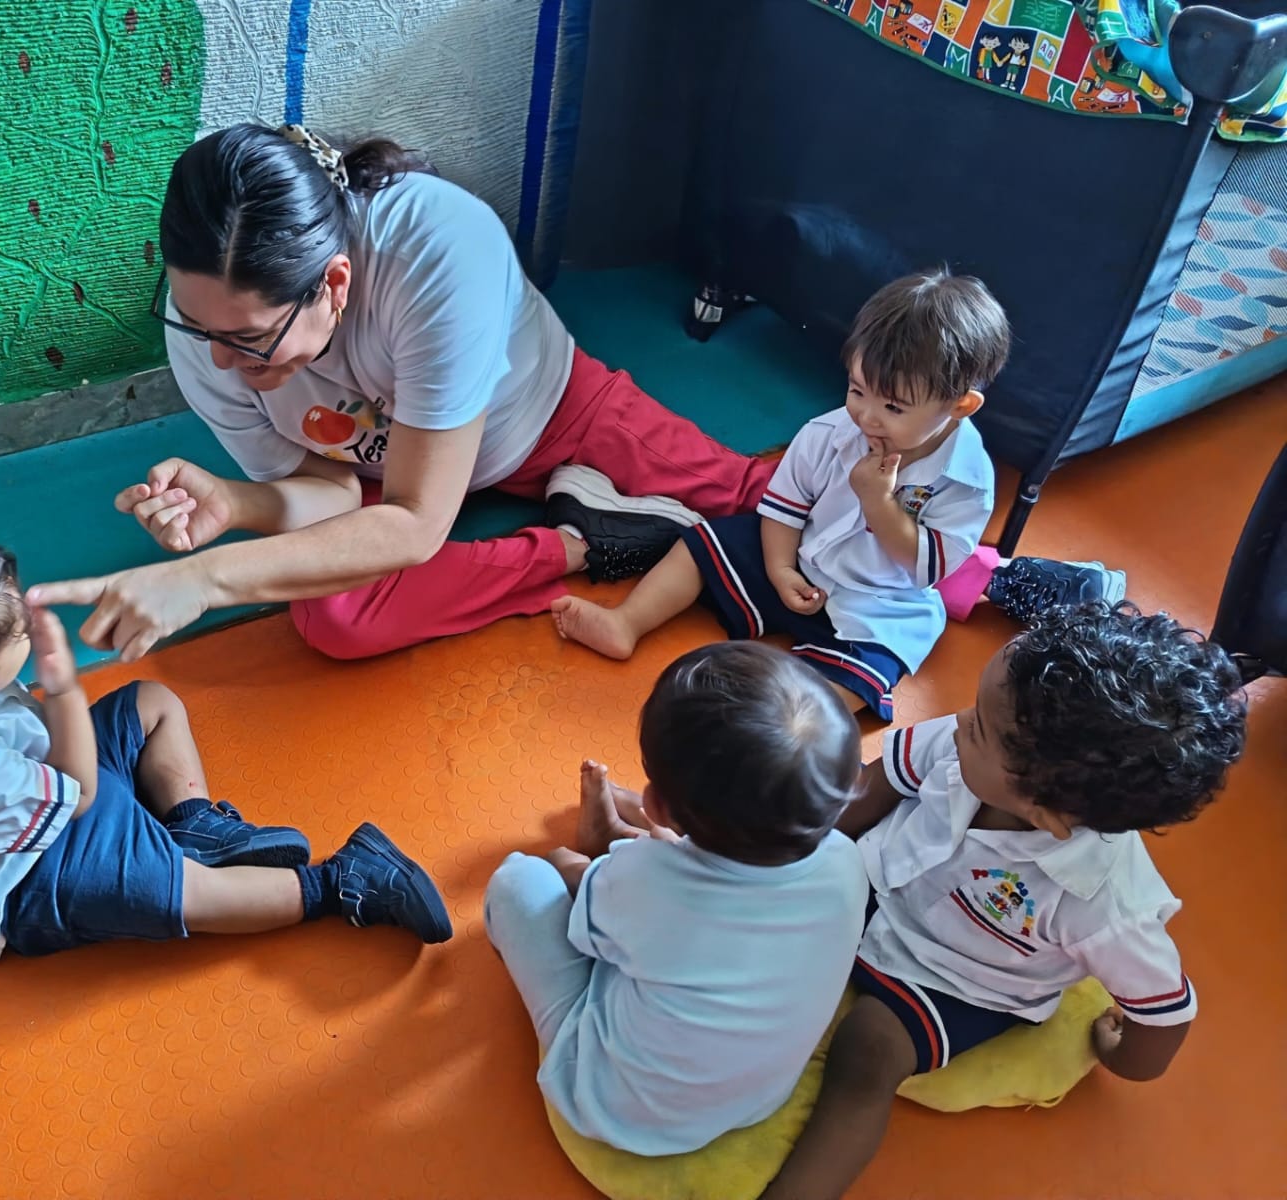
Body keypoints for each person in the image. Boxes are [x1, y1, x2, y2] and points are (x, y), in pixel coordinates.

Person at [26, 122, 1116, 661]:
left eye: (254, 340)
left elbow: (415, 521)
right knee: (332, 622)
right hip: (386, 478)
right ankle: (586, 546)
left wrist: (208, 581)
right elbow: (325, 488)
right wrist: (239, 508)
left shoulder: (433, 244)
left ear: (338, 281)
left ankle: (1002, 579)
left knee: (771, 490)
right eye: (202, 331)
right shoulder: (206, 321)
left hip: (551, 413)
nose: (222, 362)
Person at [0, 518, 452, 965]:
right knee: (176, 893)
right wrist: (65, 684)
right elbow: (78, 793)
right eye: (17, 630)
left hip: (35, 779)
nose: (29, 620)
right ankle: (336, 885)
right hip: (20, 877)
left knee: (153, 703)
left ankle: (194, 827)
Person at [761, 603, 1249, 1200]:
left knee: (867, 1051)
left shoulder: (1105, 903)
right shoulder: (972, 740)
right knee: (754, 901)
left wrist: (1126, 1058)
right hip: (874, 884)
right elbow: (874, 786)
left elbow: (1166, 1011)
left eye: (981, 730)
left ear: (1045, 813)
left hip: (953, 981)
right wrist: (795, 853)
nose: (960, 720)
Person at [550, 270, 1016, 719]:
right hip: (802, 561)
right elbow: (783, 508)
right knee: (704, 542)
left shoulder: (968, 481)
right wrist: (779, 568)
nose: (867, 417)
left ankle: (786, 716)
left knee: (869, 673)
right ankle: (626, 622)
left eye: (893, 407)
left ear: (960, 406)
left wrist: (879, 504)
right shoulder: (828, 432)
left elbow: (924, 571)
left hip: (882, 603)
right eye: (857, 390)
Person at [484, 641, 869, 1156]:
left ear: (658, 807)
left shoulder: (652, 886)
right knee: (656, 903)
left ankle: (604, 845)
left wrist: (570, 866)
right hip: (757, 1099)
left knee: (523, 878)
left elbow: (591, 924)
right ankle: (617, 839)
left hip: (611, 1102)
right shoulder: (847, 862)